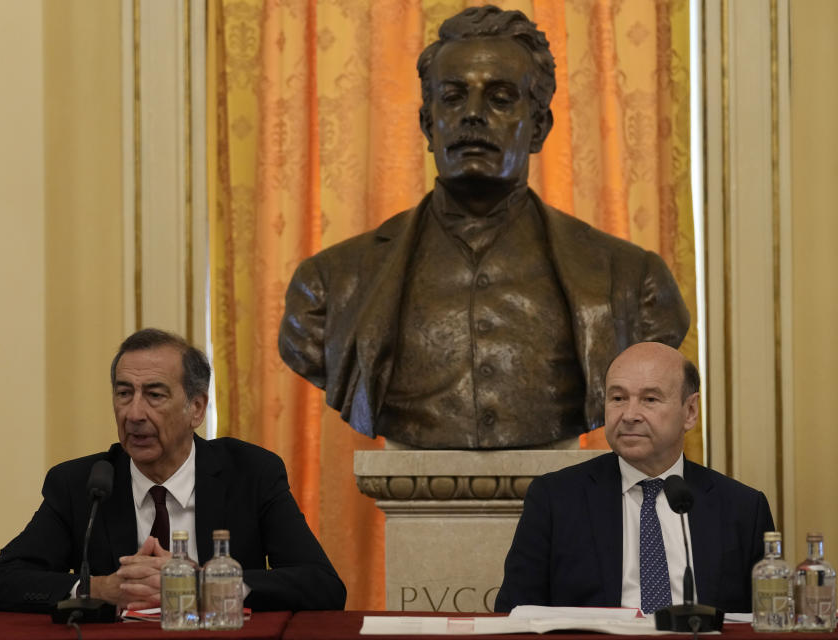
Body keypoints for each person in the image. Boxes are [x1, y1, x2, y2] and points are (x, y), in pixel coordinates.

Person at [279, 5, 689, 449]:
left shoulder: (632, 280)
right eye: (454, 97)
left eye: (499, 98)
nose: (473, 115)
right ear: (427, 124)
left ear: (538, 128)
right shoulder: (329, 286)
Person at [0, 328, 346, 613]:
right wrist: (98, 589)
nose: (134, 414)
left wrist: (204, 585)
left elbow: (323, 586)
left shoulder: (251, 472)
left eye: (154, 394)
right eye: (124, 394)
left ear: (196, 409)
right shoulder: (82, 483)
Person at [495, 342, 775, 613]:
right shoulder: (555, 498)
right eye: (618, 398)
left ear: (690, 411)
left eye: (649, 399)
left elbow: (768, 620)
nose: (629, 415)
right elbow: (515, 612)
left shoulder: (743, 509)